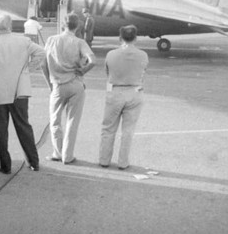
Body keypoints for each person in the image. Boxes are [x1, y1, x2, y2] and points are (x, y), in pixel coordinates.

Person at [0, 13, 45, 174]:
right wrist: (27, 71)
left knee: (0, 130)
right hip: (19, 89)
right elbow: (41, 53)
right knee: (23, 126)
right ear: (10, 26)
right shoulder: (23, 41)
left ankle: (6, 165)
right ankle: (34, 161)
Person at [42, 12, 96, 164]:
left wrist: (49, 84)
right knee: (72, 121)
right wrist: (83, 70)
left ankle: (57, 153)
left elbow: (43, 64)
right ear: (77, 26)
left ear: (63, 25)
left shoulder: (51, 40)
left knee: (55, 121)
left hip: (57, 85)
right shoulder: (79, 42)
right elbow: (93, 60)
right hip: (75, 83)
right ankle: (68, 155)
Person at [98, 25, 148, 170]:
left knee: (108, 128)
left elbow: (107, 72)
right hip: (134, 91)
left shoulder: (111, 54)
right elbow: (143, 71)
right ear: (136, 38)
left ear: (120, 38)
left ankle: (104, 160)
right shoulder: (143, 55)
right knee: (128, 130)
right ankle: (123, 162)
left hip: (115, 90)